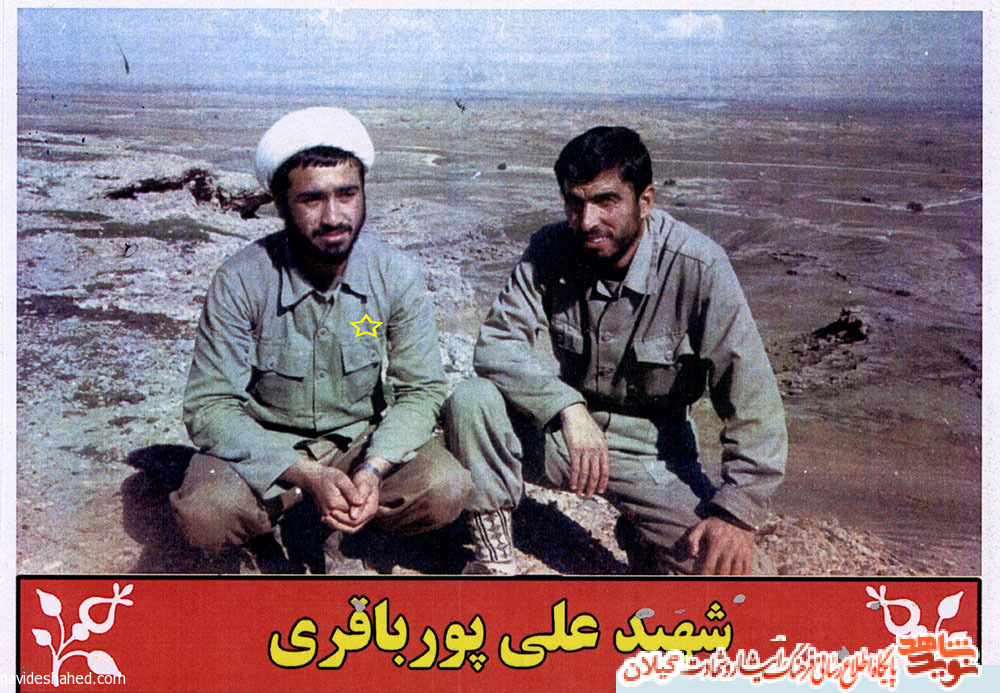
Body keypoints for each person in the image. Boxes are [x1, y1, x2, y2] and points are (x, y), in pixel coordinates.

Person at [444, 126, 787, 575]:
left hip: (654, 456)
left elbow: (752, 398)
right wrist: (567, 407)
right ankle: (493, 560)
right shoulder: (550, 248)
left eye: (606, 201)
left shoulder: (698, 267)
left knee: (742, 584)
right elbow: (497, 343)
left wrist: (737, 512)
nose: (587, 221)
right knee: (472, 400)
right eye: (574, 203)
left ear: (645, 201)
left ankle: (642, 533)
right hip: (565, 438)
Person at [171, 107, 472, 573]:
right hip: (270, 451)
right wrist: (306, 474)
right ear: (279, 203)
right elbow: (209, 405)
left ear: (364, 193)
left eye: (347, 194)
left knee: (445, 487)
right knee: (205, 516)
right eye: (311, 199)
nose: (334, 216)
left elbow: (422, 390)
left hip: (360, 443)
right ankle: (273, 532)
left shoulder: (395, 275)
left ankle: (354, 531)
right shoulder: (240, 280)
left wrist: (374, 468)